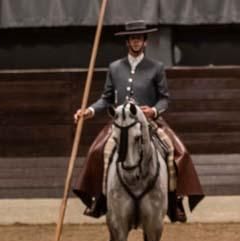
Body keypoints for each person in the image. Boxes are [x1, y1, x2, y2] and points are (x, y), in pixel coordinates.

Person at [72, 20, 203, 223]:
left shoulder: (156, 67)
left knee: (176, 152)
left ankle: (175, 199)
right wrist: (89, 111)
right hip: (120, 122)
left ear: (145, 42)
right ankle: (100, 199)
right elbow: (106, 99)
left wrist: (153, 110)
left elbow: (164, 98)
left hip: (149, 122)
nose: (136, 42)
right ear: (127, 42)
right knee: (98, 152)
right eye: (132, 38)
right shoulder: (115, 67)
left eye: (139, 38)